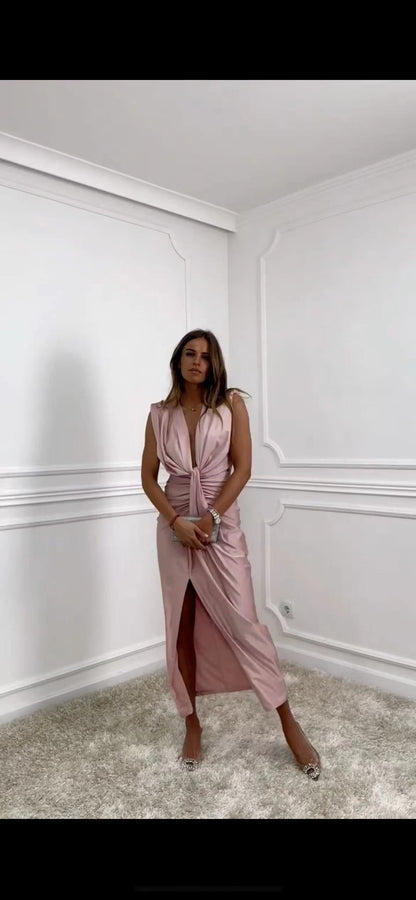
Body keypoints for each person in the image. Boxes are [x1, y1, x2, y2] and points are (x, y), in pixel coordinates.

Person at [141, 329, 321, 780]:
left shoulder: (231, 405)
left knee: (246, 623)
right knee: (180, 629)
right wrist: (176, 522)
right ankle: (192, 724)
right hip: (174, 530)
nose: (197, 361)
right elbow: (147, 478)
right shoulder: (159, 414)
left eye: (205, 356)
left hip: (220, 528)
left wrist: (211, 518)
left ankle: (288, 721)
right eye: (189, 354)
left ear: (214, 363)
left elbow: (243, 469)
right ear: (177, 360)